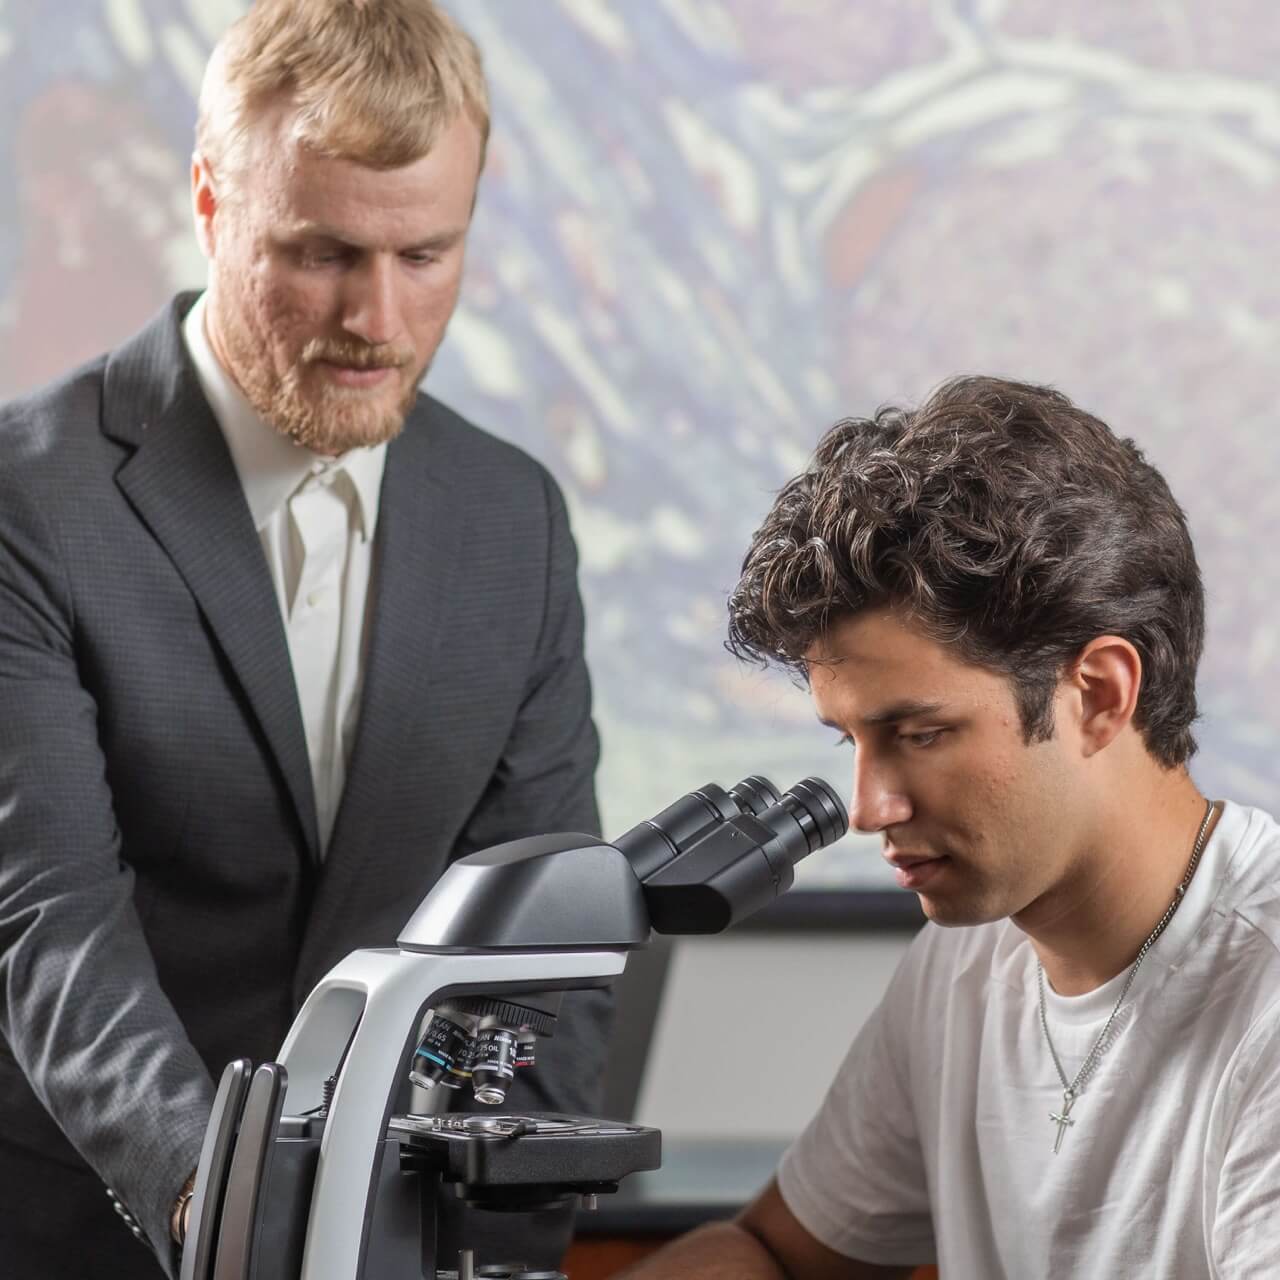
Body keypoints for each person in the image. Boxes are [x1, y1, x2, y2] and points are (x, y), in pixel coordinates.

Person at [0, 2, 609, 1276]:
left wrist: (494, 1228)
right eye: (321, 253)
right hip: (90, 1234)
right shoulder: (29, 503)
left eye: (425, 254)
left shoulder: (515, 522)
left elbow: (537, 943)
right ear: (212, 206)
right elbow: (53, 923)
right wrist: (223, 1207)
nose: (378, 321)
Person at [619, 376, 1280, 1279]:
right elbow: (772, 1257)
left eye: (921, 734)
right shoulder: (968, 966)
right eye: (852, 739)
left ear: (1099, 695)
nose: (868, 808)